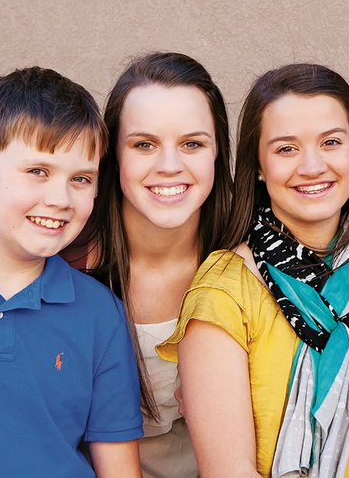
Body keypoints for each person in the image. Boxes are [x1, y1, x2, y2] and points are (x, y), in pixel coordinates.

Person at [157, 63, 349, 476]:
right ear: (259, 166)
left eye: (331, 142)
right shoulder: (224, 292)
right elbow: (230, 470)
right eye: (286, 149)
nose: (312, 166)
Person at [0, 67, 143, 477]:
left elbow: (120, 470)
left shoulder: (99, 313)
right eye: (38, 171)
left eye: (80, 178)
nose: (59, 198)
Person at [73, 52, 233, 477]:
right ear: (114, 157)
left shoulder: (248, 266)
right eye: (144, 144)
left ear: (218, 153)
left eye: (192, 144)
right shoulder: (67, 270)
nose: (169, 166)